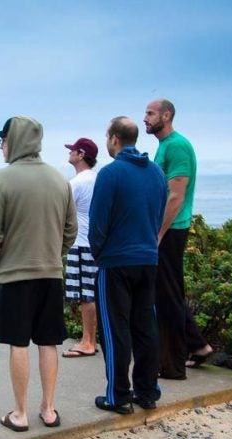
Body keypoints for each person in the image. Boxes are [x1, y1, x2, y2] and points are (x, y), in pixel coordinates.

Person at [0, 116, 77, 431]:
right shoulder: (59, 180)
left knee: (19, 343)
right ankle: (48, 410)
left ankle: (20, 414)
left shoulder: (2, 180)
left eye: (3, 140)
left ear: (15, 141)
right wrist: (54, 254)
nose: (0, 146)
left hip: (14, 275)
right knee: (49, 342)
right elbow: (70, 230)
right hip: (51, 274)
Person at [88, 116, 167, 414]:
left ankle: (118, 395)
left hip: (116, 261)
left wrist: (99, 253)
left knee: (114, 329)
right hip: (148, 258)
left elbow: (98, 222)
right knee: (146, 326)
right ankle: (147, 391)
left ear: (113, 138)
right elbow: (158, 215)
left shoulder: (110, 174)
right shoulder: (157, 173)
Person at [144, 98, 213, 379]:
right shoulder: (164, 146)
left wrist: (158, 234)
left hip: (172, 229)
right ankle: (198, 346)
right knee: (168, 291)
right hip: (166, 229)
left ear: (166, 115)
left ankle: (173, 363)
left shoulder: (178, 146)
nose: (145, 118)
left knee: (167, 294)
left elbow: (176, 195)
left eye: (150, 113)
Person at [60, 137, 100, 359]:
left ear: (81, 154)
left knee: (86, 295)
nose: (70, 153)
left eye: (73, 150)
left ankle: (88, 341)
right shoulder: (96, 179)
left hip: (81, 242)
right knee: (91, 293)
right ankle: (90, 339)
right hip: (94, 242)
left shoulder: (76, 183)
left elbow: (61, 213)